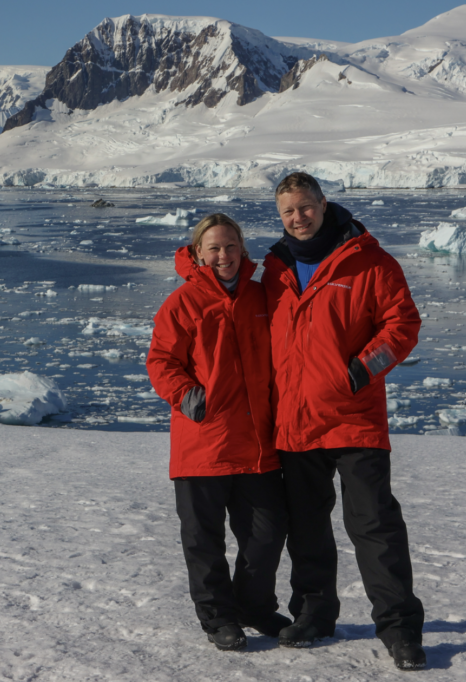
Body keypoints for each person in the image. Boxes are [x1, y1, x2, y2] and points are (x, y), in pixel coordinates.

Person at [261, 173, 427, 670]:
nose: (299, 218)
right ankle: (314, 614)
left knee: (374, 525)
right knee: (307, 527)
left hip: (355, 420)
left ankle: (399, 628)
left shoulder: (369, 261)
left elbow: (403, 325)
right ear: (280, 215)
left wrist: (358, 372)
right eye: (289, 211)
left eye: (306, 207)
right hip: (296, 422)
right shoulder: (274, 268)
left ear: (323, 203)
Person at [146, 213, 291, 651]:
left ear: (242, 249)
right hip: (203, 441)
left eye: (230, 246)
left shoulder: (261, 295)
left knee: (266, 535)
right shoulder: (183, 303)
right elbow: (160, 361)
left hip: (256, 443)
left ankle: (253, 605)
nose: (223, 255)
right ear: (197, 253)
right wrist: (190, 396)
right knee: (203, 540)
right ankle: (218, 617)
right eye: (214, 247)